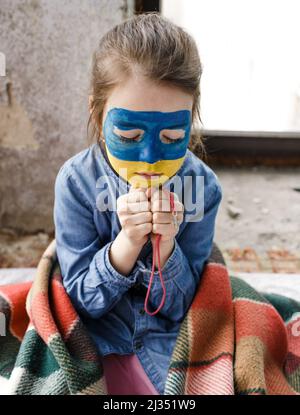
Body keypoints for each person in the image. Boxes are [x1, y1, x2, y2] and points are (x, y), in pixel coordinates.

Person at [53, 12, 222, 395]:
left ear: (191, 119)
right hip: (96, 341)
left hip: (166, 345)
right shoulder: (76, 183)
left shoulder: (202, 188)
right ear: (97, 114)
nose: (149, 158)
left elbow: (181, 309)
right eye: (128, 135)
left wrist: (166, 247)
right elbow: (82, 301)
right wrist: (127, 243)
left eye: (172, 135)